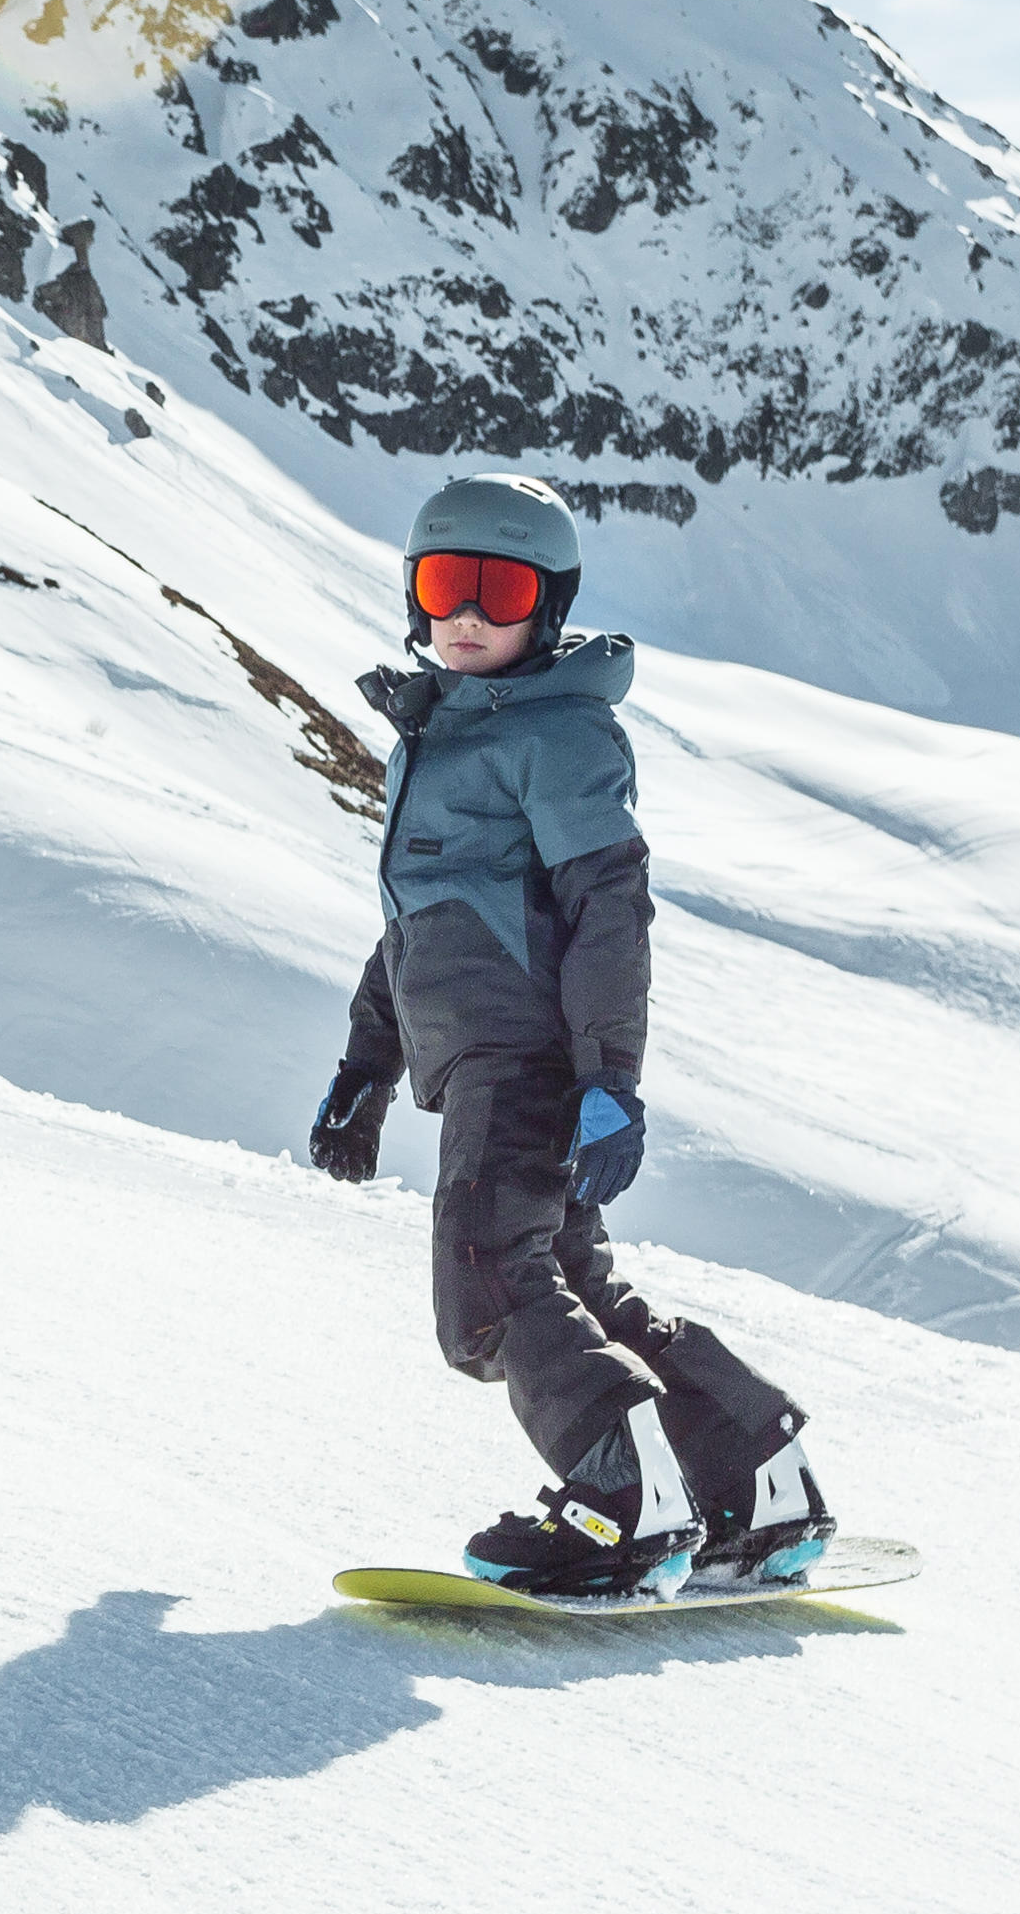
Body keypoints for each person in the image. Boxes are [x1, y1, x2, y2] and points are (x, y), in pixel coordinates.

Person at [306, 474, 835, 1597]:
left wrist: (610, 1078)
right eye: (446, 585)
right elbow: (417, 928)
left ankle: (627, 1506)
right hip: (487, 1055)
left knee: (490, 1286)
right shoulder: (436, 740)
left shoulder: (556, 735)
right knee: (576, 1288)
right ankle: (754, 1479)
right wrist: (366, 1066)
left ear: (547, 607)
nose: (466, 615)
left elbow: (609, 908)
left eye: (497, 592)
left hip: (527, 1059)